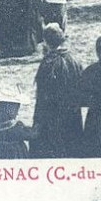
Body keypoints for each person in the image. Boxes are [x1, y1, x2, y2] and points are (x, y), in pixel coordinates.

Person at [30, 24, 84, 158]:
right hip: (72, 114)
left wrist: (37, 120)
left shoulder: (48, 63)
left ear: (46, 42)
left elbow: (42, 97)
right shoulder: (75, 60)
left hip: (52, 117)